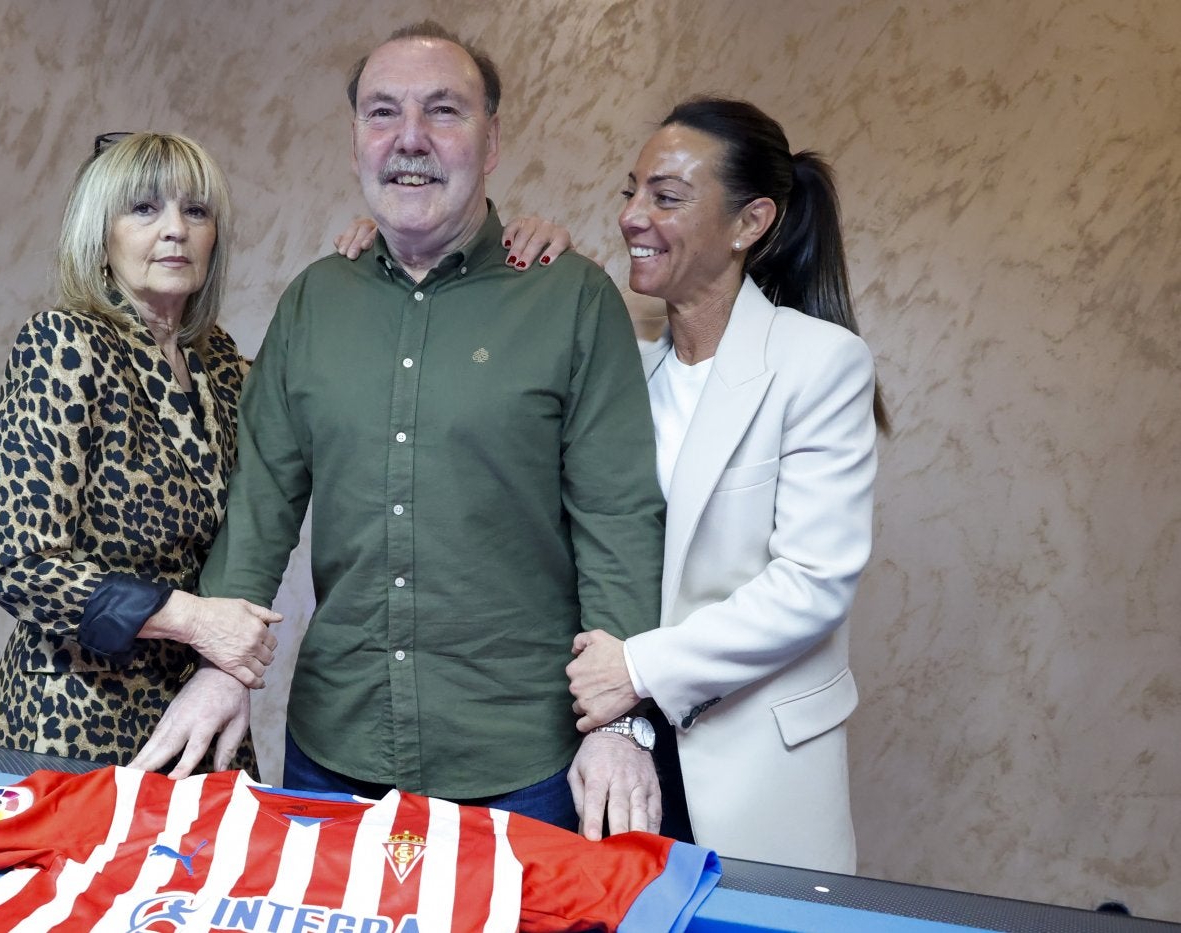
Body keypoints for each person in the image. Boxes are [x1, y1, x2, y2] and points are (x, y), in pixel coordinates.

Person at [134, 21, 666, 839]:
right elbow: (261, 505)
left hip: (524, 763)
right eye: (383, 113)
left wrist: (618, 722)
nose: (409, 139)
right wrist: (222, 666)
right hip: (334, 749)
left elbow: (620, 519)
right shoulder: (315, 302)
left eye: (443, 111)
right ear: (356, 142)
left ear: (490, 143)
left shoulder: (572, 300)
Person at [567, 97, 886, 872]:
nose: (633, 217)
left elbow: (812, 582)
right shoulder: (621, 369)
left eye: (666, 197)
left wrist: (639, 667)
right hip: (618, 755)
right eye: (630, 191)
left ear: (751, 223)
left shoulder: (820, 364)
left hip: (754, 774)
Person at [0, 132, 282, 770]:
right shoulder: (62, 343)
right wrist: (197, 621)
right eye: (144, 209)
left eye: (195, 211)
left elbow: (325, 405)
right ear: (101, 234)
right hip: (76, 713)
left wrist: (373, 253)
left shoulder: (221, 363)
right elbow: (19, 565)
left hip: (201, 708)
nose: (175, 229)